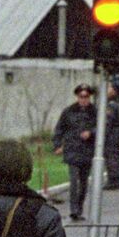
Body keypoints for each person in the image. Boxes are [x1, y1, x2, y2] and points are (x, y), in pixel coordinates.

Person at [51, 84, 97, 220]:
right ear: (77, 97)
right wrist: (57, 145)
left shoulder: (95, 112)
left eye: (86, 97)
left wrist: (91, 133)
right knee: (74, 181)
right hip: (72, 150)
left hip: (87, 151)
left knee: (83, 183)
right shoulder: (69, 111)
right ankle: (74, 210)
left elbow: (103, 127)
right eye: (81, 97)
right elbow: (59, 129)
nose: (84, 99)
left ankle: (79, 209)